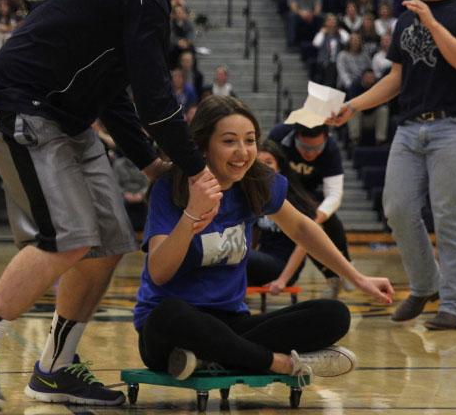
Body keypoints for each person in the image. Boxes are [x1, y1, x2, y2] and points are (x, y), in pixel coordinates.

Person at [0, 0, 233, 410]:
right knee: (68, 236)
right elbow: (153, 97)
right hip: (19, 106)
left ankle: (54, 368)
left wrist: (148, 162)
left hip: (67, 118)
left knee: (109, 243)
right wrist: (194, 170)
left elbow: (114, 91)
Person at [135, 96, 393, 382]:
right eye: (230, 141)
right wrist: (192, 215)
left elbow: (302, 230)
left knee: (333, 314)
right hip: (169, 331)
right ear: (204, 146)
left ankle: (212, 358)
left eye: (250, 140)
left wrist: (358, 279)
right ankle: (276, 363)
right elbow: (158, 272)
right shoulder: (170, 187)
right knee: (170, 314)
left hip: (232, 323)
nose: (243, 152)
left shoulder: (255, 182)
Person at [330, 0, 456, 331]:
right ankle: (424, 285)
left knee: (449, 216)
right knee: (398, 209)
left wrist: (433, 22)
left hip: (454, 125)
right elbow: (397, 79)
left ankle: (454, 303)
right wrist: (355, 105)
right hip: (409, 127)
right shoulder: (405, 17)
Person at [247, 140, 351, 297]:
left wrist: (283, 280)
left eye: (269, 162)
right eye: (259, 163)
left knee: (238, 253)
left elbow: (303, 244)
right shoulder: (257, 196)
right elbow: (253, 236)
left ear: (279, 167)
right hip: (261, 262)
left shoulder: (289, 198)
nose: (264, 168)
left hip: (282, 268)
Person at [346, 69, 389, 146]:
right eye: (368, 77)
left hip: (373, 115)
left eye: (372, 77)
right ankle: (354, 139)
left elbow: (383, 102)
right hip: (360, 116)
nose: (370, 79)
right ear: (363, 77)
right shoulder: (355, 85)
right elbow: (352, 103)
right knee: (352, 110)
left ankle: (380, 140)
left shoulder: (378, 85)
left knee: (383, 110)